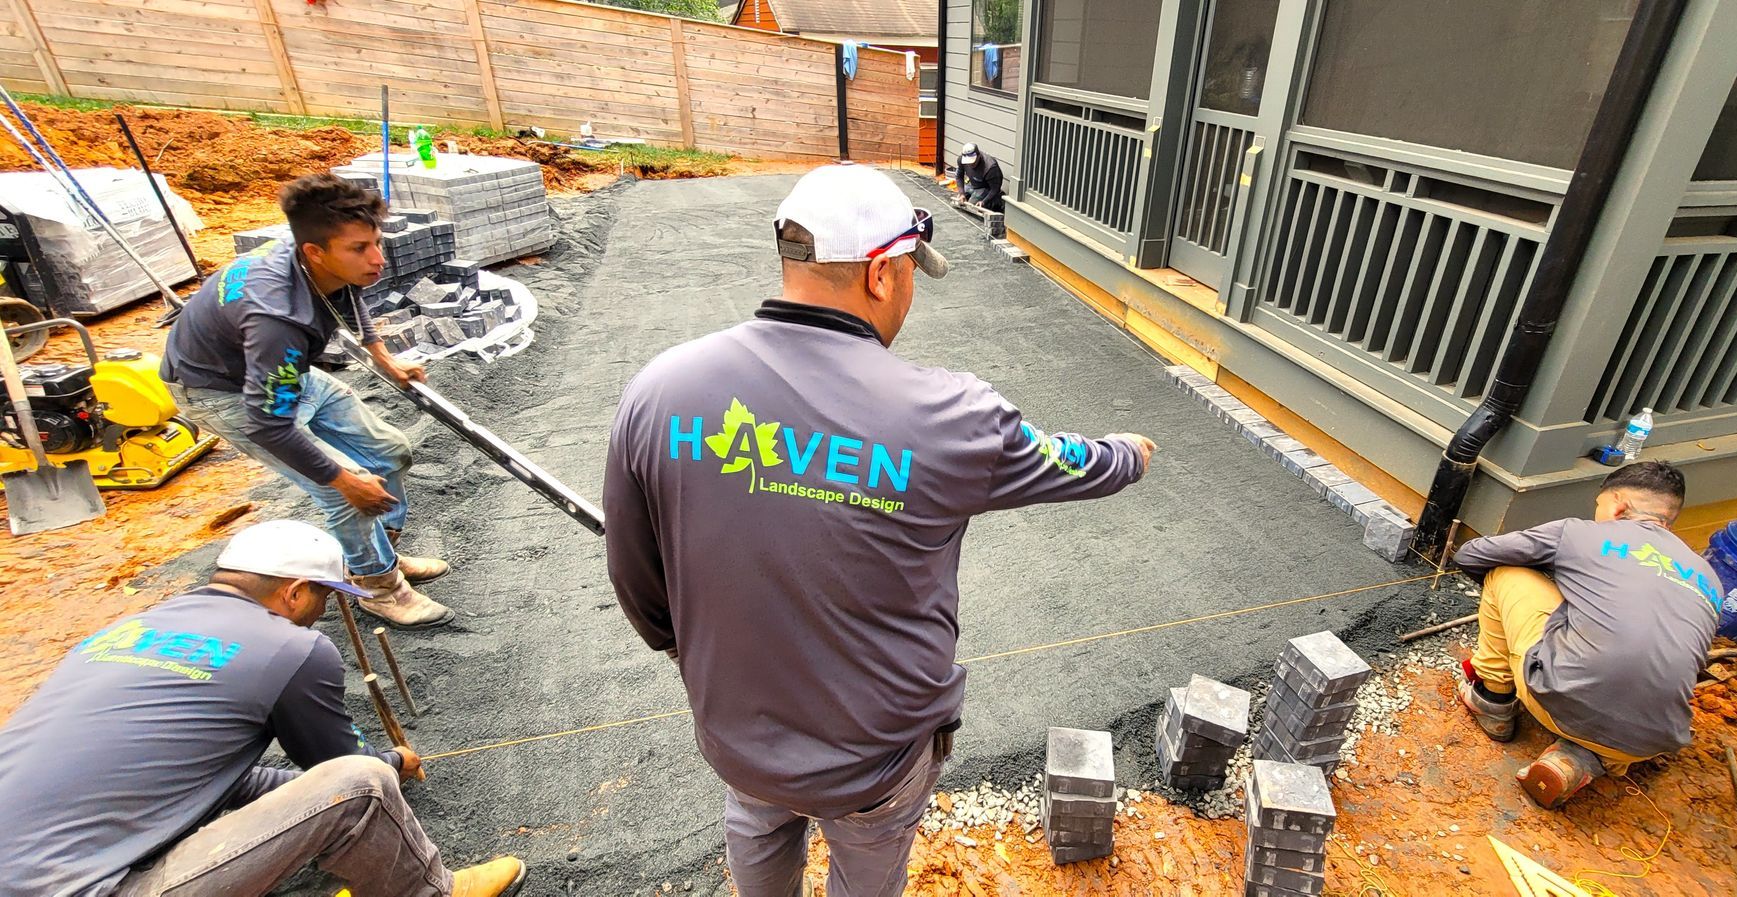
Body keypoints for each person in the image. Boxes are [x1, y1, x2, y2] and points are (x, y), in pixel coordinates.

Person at [603, 164, 1156, 896]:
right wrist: (1131, 453)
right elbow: (1071, 461)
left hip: (741, 731)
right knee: (867, 858)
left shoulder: (660, 390)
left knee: (757, 817)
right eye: (910, 272)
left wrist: (694, 652)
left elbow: (635, 578)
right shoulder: (952, 419)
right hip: (876, 758)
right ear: (880, 274)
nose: (911, 291)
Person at [0, 520, 525, 897]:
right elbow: (335, 769)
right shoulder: (291, 646)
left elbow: (220, 780)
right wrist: (390, 763)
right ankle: (431, 891)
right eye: (326, 597)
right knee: (361, 786)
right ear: (295, 593)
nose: (324, 611)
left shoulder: (130, 629)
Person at [161, 174, 452, 629]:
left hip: (277, 371)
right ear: (314, 252)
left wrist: (382, 357)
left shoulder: (316, 257)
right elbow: (267, 424)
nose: (377, 259)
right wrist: (342, 480)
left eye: (376, 242)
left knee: (390, 452)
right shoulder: (277, 316)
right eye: (360, 249)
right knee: (348, 489)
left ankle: (378, 551)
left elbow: (349, 294)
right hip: (222, 390)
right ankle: (379, 588)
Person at [1451, 461, 1723, 808]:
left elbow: (1473, 554)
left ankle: (1493, 700)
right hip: (1650, 739)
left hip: (1560, 699)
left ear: (1619, 504)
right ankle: (1583, 760)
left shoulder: (1580, 534)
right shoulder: (1708, 577)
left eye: (1599, 506)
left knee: (1505, 573)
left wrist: (1550, 572)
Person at [955, 143, 1005, 212]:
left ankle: (997, 200)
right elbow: (959, 176)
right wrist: (961, 193)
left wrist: (984, 202)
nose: (970, 164)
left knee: (971, 206)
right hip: (973, 184)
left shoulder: (991, 167)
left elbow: (995, 189)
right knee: (960, 200)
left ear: (978, 156)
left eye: (973, 162)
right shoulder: (961, 159)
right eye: (968, 162)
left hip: (986, 188)